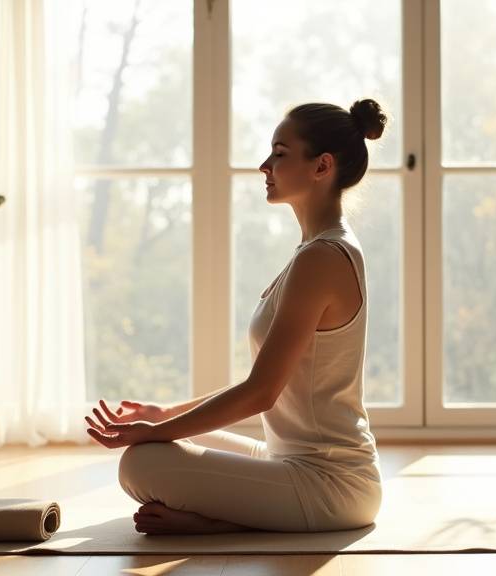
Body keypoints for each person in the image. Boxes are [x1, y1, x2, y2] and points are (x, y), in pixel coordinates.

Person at [85, 99, 388, 535]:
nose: (265, 166)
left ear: (322, 166)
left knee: (142, 462)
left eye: (280, 154)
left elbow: (260, 392)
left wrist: (156, 431)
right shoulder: (315, 250)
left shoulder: (323, 257)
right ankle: (224, 513)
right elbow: (270, 383)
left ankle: (215, 522)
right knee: (168, 440)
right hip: (290, 461)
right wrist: (164, 414)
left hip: (331, 485)